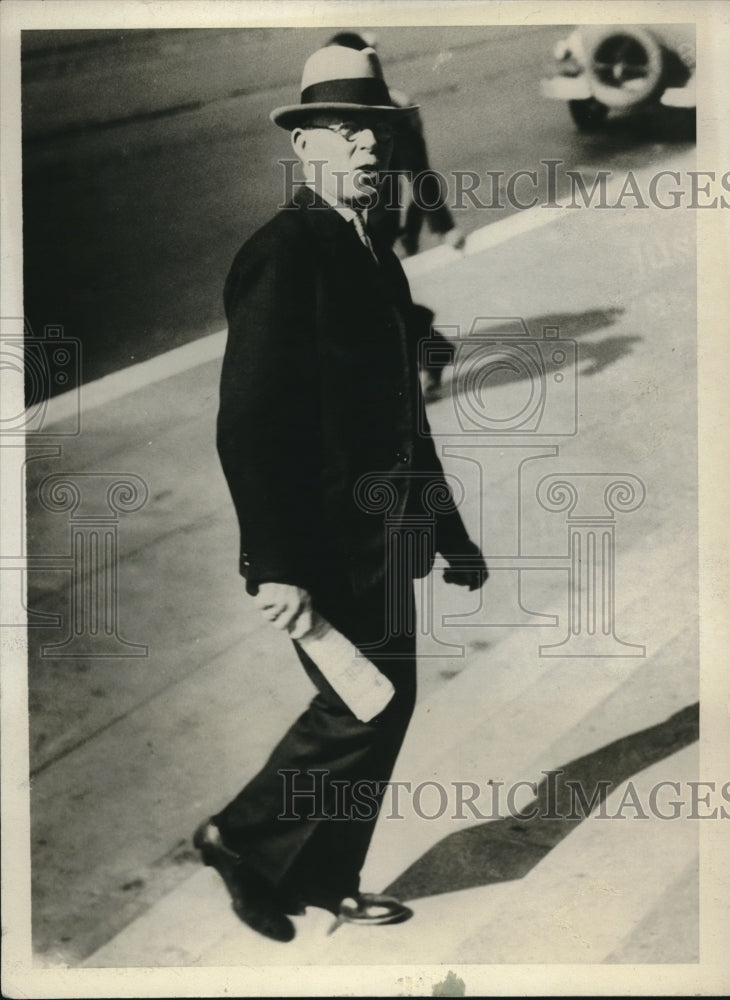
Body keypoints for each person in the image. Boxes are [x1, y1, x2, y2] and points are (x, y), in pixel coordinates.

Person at [194, 42, 488, 944]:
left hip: (383, 538)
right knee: (358, 704)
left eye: (372, 131)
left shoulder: (372, 255)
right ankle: (239, 839)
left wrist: (449, 535)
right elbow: (248, 424)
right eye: (339, 132)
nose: (362, 146)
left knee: (384, 702)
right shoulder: (285, 255)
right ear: (304, 148)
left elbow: (405, 418)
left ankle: (325, 876)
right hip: (319, 549)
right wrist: (275, 566)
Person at [327, 31, 464, 394]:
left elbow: (419, 173)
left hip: (378, 224)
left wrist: (443, 227)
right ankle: (430, 350)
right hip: (344, 220)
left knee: (374, 299)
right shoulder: (330, 108)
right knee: (374, 299)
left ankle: (425, 353)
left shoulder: (395, 113)